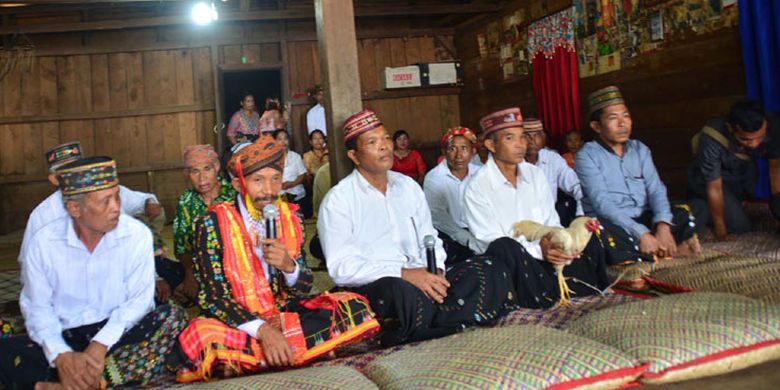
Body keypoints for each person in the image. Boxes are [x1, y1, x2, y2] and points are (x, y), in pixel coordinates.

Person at [175, 136, 379, 382]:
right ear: (240, 185)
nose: (269, 191)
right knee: (201, 336)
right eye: (258, 181)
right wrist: (263, 331)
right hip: (239, 321)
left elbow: (305, 286)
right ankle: (300, 349)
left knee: (354, 306)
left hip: (284, 313)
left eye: (275, 179)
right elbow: (212, 297)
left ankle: (252, 359)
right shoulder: (211, 224)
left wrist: (289, 266)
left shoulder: (291, 217)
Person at [318, 109, 517, 347]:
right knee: (400, 293)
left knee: (490, 267)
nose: (384, 146)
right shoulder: (338, 200)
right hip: (384, 284)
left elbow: (429, 237)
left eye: (386, 138)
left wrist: (437, 271)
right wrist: (405, 274)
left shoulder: (409, 186)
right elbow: (342, 268)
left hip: (424, 275)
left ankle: (431, 321)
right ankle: (451, 316)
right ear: (354, 155)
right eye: (372, 142)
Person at [0, 157, 188, 389]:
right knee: (7, 352)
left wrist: (101, 343)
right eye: (105, 201)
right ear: (74, 208)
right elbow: (37, 306)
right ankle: (100, 377)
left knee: (172, 318)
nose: (116, 207)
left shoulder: (135, 235)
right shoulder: (44, 242)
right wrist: (61, 356)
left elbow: (139, 301)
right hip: (64, 334)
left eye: (117, 196)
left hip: (117, 335)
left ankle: (80, 382)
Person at [464, 108, 609, 309]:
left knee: (590, 233)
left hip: (547, 253)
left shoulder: (535, 175)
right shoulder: (477, 186)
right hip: (515, 264)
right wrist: (539, 250)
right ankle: (541, 299)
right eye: (509, 138)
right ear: (491, 145)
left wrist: (557, 244)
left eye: (522, 137)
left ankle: (589, 292)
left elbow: (551, 221)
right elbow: (488, 241)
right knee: (505, 246)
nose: (520, 144)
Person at [19, 142, 176, 303]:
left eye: (79, 168)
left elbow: (143, 200)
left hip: (119, 273)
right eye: (66, 172)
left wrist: (150, 202)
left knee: (175, 274)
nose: (75, 175)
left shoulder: (107, 191)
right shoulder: (43, 214)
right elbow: (29, 264)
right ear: (54, 179)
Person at [576, 86, 701, 264]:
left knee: (684, 211)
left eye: (626, 116)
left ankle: (648, 252)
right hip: (615, 222)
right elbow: (603, 204)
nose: (622, 123)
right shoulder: (586, 156)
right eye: (613, 118)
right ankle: (655, 252)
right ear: (596, 126)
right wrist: (640, 232)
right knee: (596, 230)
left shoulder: (640, 149)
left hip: (643, 215)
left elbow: (656, 189)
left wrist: (663, 226)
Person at [688, 100, 780, 239]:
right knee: (740, 227)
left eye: (759, 138)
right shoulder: (712, 139)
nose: (755, 144)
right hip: (710, 179)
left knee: (750, 191)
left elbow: (775, 169)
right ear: (730, 128)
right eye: (746, 140)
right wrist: (721, 231)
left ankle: (729, 204)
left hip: (741, 171)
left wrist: (778, 210)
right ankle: (697, 206)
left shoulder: (773, 125)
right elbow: (715, 188)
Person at [173, 144, 238, 305]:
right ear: (188, 174)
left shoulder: (234, 195)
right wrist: (189, 275)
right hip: (200, 268)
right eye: (195, 171)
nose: (202, 178)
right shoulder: (186, 201)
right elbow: (183, 246)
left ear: (216, 168)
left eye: (207, 169)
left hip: (234, 266)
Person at [423, 127, 481, 266]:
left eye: (464, 149)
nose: (458, 155)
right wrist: (467, 239)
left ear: (473, 152)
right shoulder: (434, 177)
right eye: (452, 149)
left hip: (478, 232)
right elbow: (438, 217)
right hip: (448, 235)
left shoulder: (480, 174)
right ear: (444, 152)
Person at [523, 118, 584, 226]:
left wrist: (580, 215)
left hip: (551, 222)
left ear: (543, 138)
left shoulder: (552, 158)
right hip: (523, 224)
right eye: (526, 136)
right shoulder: (513, 163)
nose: (532, 140)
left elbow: (576, 186)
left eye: (537, 135)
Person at [273, 129, 310, 217]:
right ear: (274, 141)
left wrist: (292, 184)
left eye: (286, 139)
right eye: (280, 139)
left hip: (296, 194)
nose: (283, 142)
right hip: (278, 196)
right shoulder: (271, 159)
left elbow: (302, 175)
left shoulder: (295, 156)